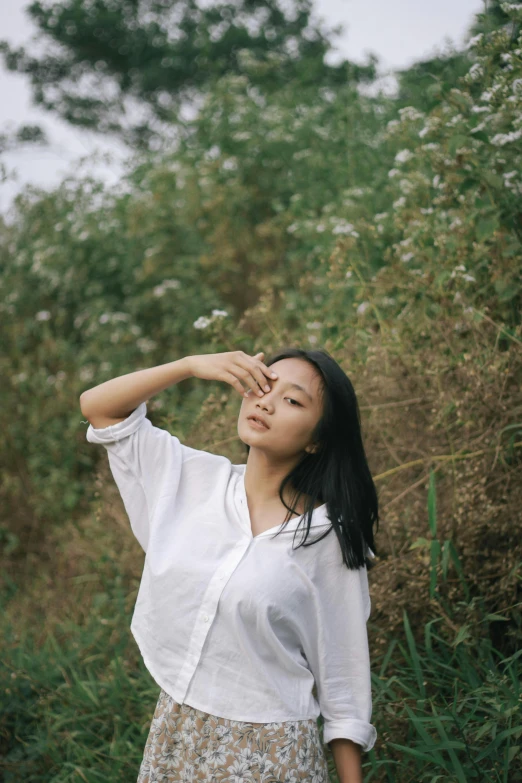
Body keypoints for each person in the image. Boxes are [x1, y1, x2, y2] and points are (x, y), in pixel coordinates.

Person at [81, 347, 379, 783]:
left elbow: (344, 687)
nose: (266, 402)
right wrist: (190, 366)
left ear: (317, 439)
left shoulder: (328, 539)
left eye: (292, 401)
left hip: (274, 755)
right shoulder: (190, 479)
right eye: (263, 385)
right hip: (177, 736)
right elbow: (98, 408)